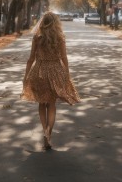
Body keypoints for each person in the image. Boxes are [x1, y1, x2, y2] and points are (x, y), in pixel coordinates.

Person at [21, 12, 80, 150]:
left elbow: (31, 59)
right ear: (55, 23)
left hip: (39, 71)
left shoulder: (37, 38)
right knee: (52, 105)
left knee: (42, 104)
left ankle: (44, 130)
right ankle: (49, 134)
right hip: (55, 71)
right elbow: (64, 58)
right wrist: (66, 74)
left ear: (42, 22)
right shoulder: (60, 38)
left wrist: (26, 76)